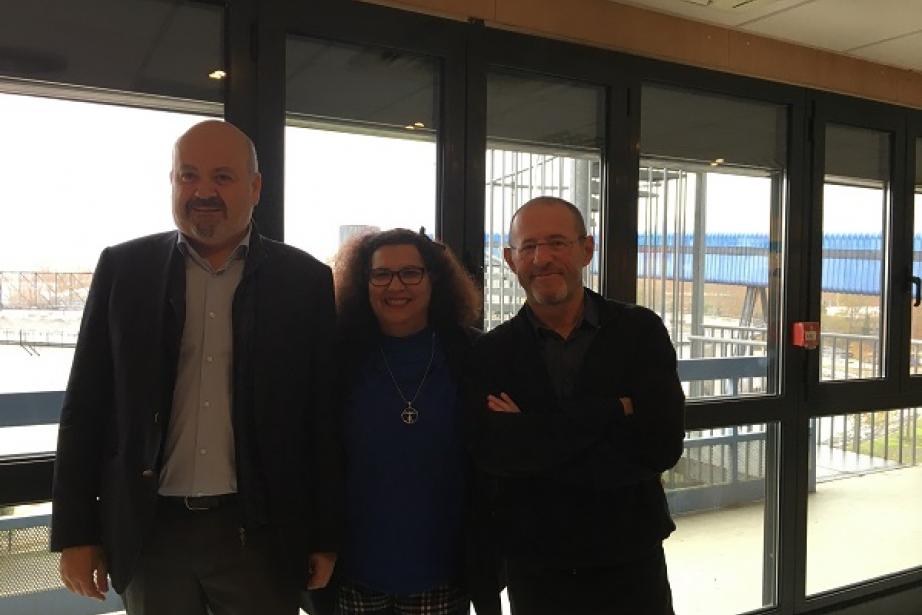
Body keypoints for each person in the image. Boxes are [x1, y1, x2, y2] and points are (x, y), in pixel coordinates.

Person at [50, 119, 342, 614]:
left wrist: (324, 535)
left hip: (260, 538)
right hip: (150, 534)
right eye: (188, 176)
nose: (203, 190)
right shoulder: (124, 270)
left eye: (223, 176)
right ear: (171, 183)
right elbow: (86, 407)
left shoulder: (305, 281)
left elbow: (322, 420)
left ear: (255, 187)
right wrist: (76, 533)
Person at [467, 196, 685, 615]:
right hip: (535, 566)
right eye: (528, 247)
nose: (542, 258)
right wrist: (611, 412)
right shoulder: (491, 352)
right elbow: (494, 453)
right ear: (511, 260)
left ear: (586, 249)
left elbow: (660, 445)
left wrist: (535, 434)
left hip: (629, 556)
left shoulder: (640, 332)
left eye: (557, 243)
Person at [330, 228, 500, 615]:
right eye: (381, 274)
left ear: (433, 280)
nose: (396, 286)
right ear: (365, 282)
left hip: (444, 569)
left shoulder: (472, 354)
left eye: (410, 273)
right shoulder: (338, 357)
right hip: (354, 570)